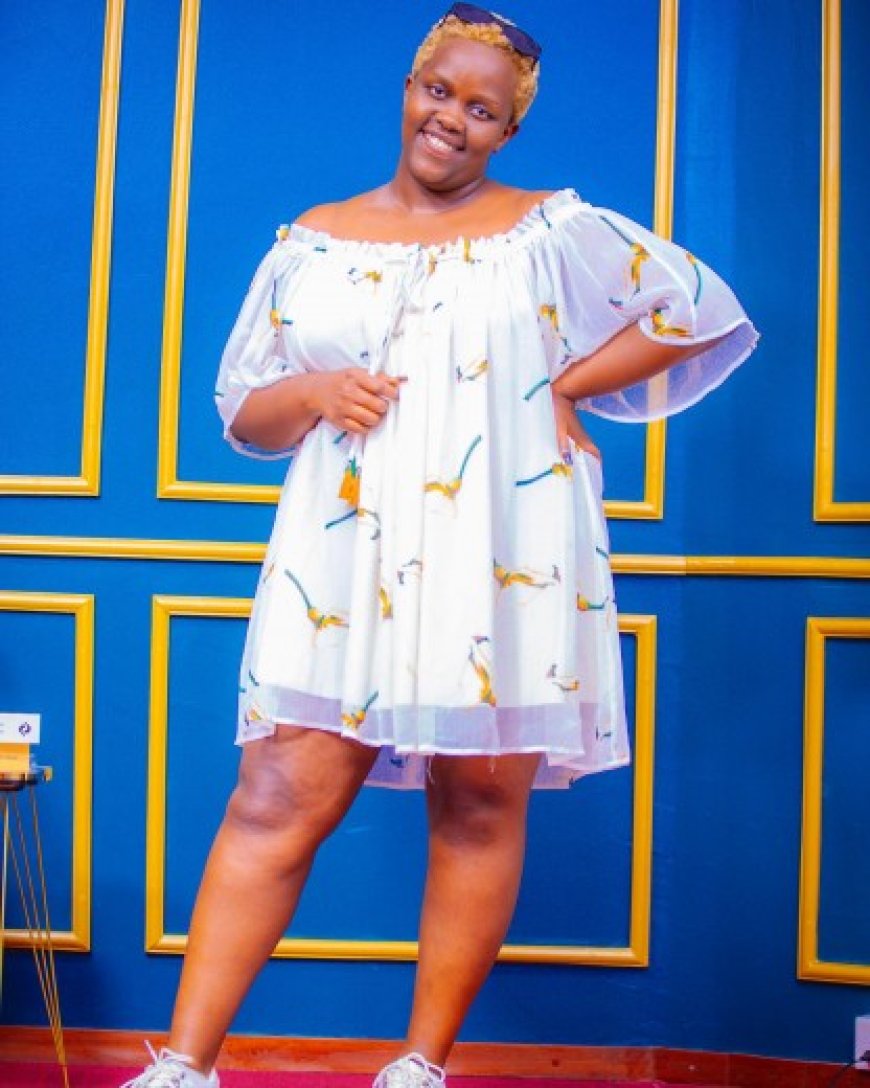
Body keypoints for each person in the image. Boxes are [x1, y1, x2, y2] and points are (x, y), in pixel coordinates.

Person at [125, 5, 759, 1086]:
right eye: (438, 91)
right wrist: (317, 390)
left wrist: (566, 384)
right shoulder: (313, 239)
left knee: (477, 801)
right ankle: (184, 1065)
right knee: (275, 796)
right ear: (408, 90)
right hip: (341, 559)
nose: (452, 119)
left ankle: (419, 1066)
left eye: (482, 108)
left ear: (509, 130)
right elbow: (245, 414)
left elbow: (697, 308)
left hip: (503, 550)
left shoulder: (549, 232)